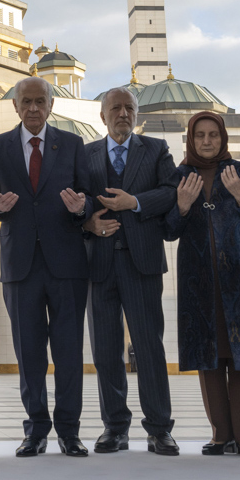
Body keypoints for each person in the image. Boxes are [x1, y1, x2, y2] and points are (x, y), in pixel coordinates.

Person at [0, 77, 93, 458]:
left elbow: (89, 197)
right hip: (20, 266)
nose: (32, 108)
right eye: (25, 102)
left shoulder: (73, 144)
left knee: (68, 353)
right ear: (14, 106)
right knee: (29, 355)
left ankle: (69, 431)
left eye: (39, 102)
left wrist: (82, 207)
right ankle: (36, 430)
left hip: (67, 264)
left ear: (50, 104)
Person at [166, 111, 240, 457]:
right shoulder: (180, 176)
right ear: (191, 138)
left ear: (223, 137)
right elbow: (169, 231)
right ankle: (221, 436)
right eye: (199, 135)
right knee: (210, 358)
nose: (206, 141)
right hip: (198, 281)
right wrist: (182, 207)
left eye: (213, 135)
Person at [81, 87, 179, 456]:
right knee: (106, 350)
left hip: (142, 264)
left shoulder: (156, 150)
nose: (123, 114)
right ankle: (115, 428)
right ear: (102, 116)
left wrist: (134, 202)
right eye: (115, 109)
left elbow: (170, 191)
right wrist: (87, 223)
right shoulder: (86, 153)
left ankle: (159, 429)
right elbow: (77, 199)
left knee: (149, 347)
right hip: (99, 264)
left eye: (129, 108)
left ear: (137, 114)